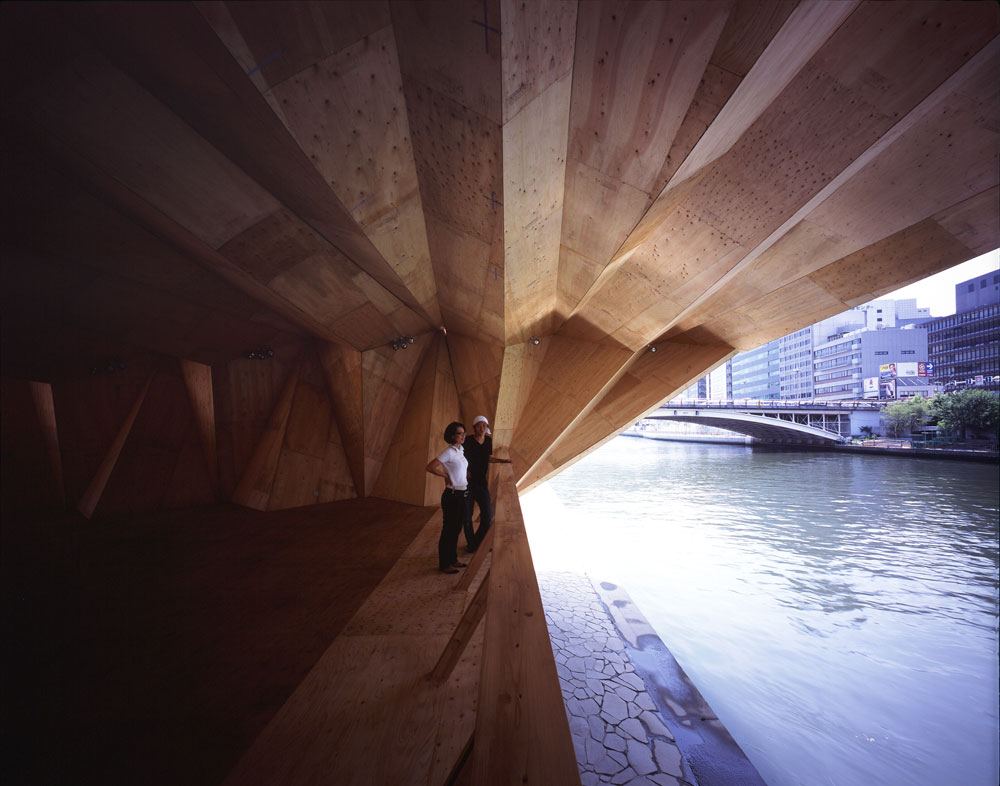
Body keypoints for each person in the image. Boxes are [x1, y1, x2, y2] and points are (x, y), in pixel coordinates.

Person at [462, 415, 511, 552]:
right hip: (466, 483)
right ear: (474, 428)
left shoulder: (488, 442)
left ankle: (476, 543)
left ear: (487, 427)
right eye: (479, 425)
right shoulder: (468, 441)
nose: (481, 428)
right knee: (467, 517)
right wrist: (464, 470)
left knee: (488, 515)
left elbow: (488, 457)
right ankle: (472, 546)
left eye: (484, 425)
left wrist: (502, 461)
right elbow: (460, 456)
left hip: (481, 483)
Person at [426, 421, 470, 574]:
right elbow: (430, 466)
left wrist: (464, 476)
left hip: (462, 494)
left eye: (464, 433)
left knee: (456, 529)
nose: (463, 436)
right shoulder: (449, 452)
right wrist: (445, 475)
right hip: (452, 496)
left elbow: (459, 469)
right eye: (460, 433)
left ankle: (453, 559)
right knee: (449, 530)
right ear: (452, 436)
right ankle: (444, 564)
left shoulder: (460, 451)